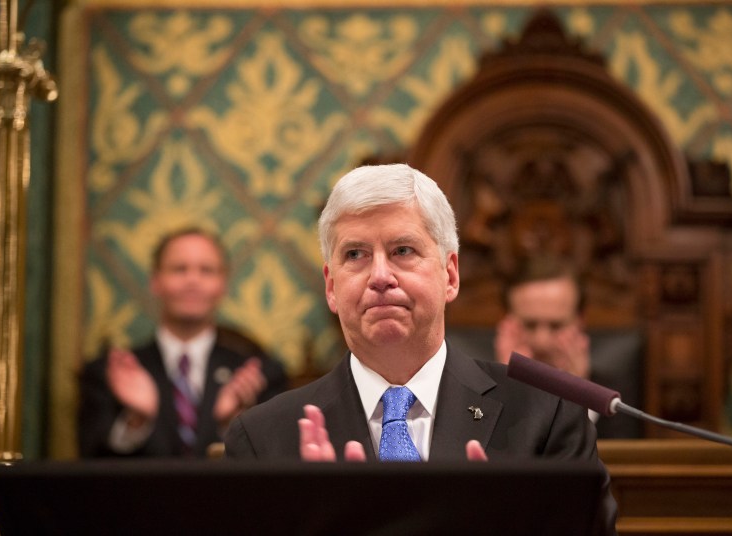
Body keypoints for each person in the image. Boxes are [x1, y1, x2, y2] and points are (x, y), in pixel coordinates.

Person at [224, 164, 617, 533]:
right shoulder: (263, 441)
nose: (380, 276)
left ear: (450, 274)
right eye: (355, 255)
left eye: (403, 251)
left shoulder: (547, 415)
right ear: (331, 287)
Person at [78, 227, 287, 458]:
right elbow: (90, 462)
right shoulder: (110, 374)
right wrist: (136, 421)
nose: (192, 280)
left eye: (206, 270)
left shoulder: (260, 376)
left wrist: (232, 425)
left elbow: (276, 466)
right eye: (179, 269)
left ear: (223, 284)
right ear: (155, 281)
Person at [495, 256, 643, 438]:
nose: (542, 341)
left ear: (580, 321)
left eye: (556, 326)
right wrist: (508, 389)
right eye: (529, 325)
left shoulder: (614, 398)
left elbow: (621, 462)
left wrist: (577, 397)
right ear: (506, 321)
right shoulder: (473, 389)